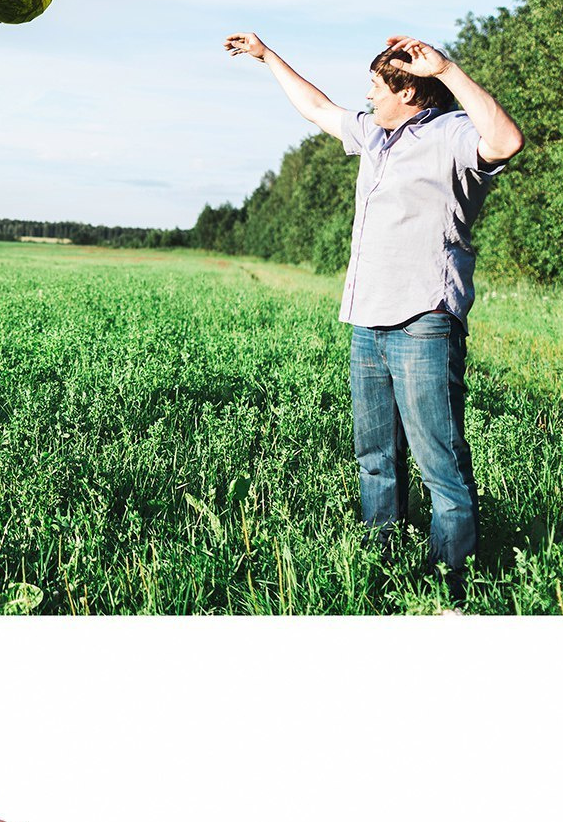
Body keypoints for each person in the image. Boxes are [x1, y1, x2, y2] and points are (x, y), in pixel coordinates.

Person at [223, 30, 524, 598]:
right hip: (367, 322)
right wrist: (267, 57)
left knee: (440, 465)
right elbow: (317, 108)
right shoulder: (375, 136)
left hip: (423, 321)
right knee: (376, 460)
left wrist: (447, 69)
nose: (366, 95)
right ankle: (379, 574)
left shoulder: (452, 134)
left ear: (408, 92)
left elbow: (506, 140)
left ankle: (449, 590)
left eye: (375, 87)